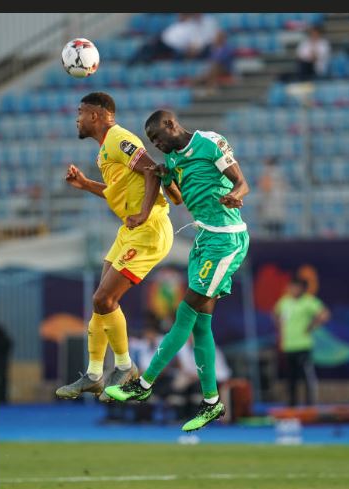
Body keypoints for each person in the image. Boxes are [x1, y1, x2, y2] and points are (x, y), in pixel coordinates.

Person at [106, 110, 250, 432]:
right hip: (204, 239)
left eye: (158, 138)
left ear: (171, 125)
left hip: (226, 241)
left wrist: (233, 196)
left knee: (185, 313)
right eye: (153, 143)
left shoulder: (211, 143)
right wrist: (164, 178)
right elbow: (179, 199)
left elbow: (243, 183)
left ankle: (143, 385)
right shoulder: (172, 161)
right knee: (201, 325)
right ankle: (211, 403)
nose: (157, 145)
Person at [56, 92, 174, 402]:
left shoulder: (119, 137)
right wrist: (86, 185)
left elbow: (152, 170)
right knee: (101, 302)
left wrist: (145, 211)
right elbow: (118, 190)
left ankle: (125, 367)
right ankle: (94, 374)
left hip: (148, 228)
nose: (77, 119)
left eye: (81, 112)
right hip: (130, 229)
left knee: (104, 298)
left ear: (96, 115)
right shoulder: (103, 152)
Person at [273, 276, 331, 407]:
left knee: (306, 377)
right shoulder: (284, 302)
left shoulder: (308, 301)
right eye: (291, 287)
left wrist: (312, 325)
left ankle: (310, 404)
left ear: (302, 289)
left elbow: (324, 314)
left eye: (296, 287)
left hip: (303, 345)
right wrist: (280, 330)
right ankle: (291, 405)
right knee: (290, 378)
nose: (293, 290)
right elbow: (275, 314)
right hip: (288, 346)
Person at [128, 14, 219, 65]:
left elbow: (197, 41)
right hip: (165, 41)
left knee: (151, 47)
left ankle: (141, 60)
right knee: (147, 46)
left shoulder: (207, 22)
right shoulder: (188, 23)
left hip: (174, 46)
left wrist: (194, 48)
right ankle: (137, 61)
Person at [257, 157, 287, 237]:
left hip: (270, 204)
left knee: (270, 229)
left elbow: (265, 188)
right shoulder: (280, 173)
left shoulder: (268, 173)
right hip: (278, 204)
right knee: (277, 229)